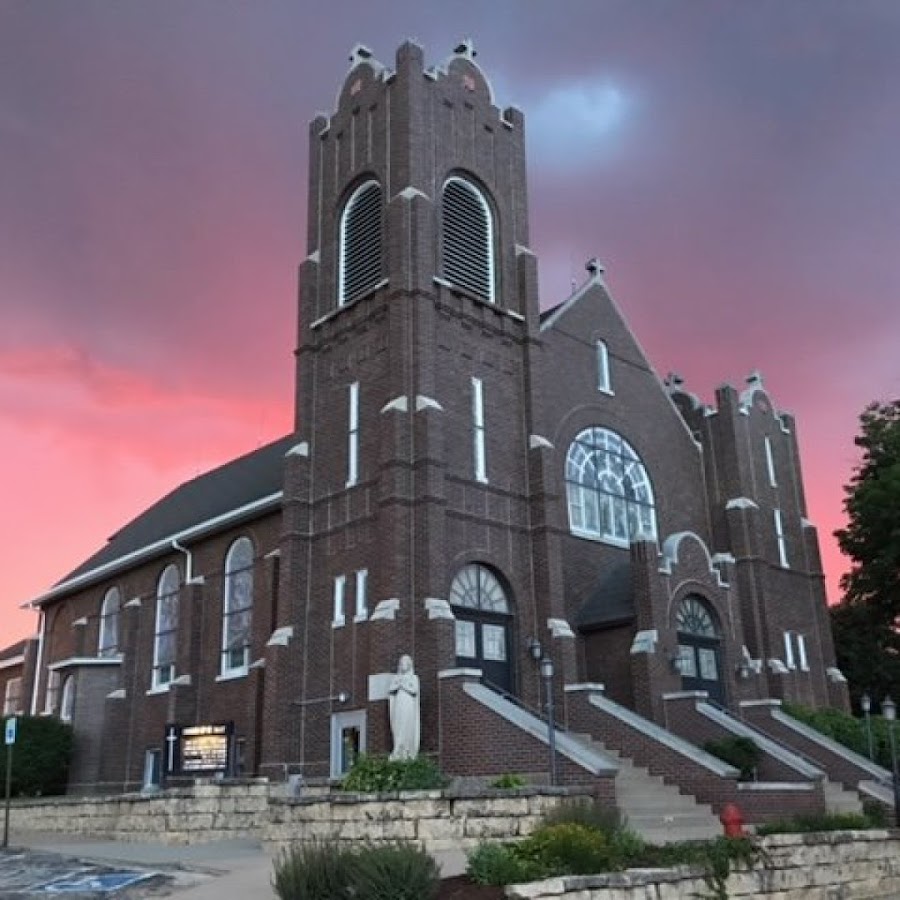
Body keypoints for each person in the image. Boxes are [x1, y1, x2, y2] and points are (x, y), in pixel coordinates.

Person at [388, 654, 420, 760]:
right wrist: (398, 684)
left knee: (406, 725)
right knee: (398, 725)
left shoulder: (413, 677)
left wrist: (403, 686)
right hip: (399, 703)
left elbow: (415, 690)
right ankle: (397, 748)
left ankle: (406, 749)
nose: (403, 666)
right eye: (401, 664)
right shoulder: (396, 677)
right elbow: (391, 689)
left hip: (408, 703)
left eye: (405, 663)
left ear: (409, 665)